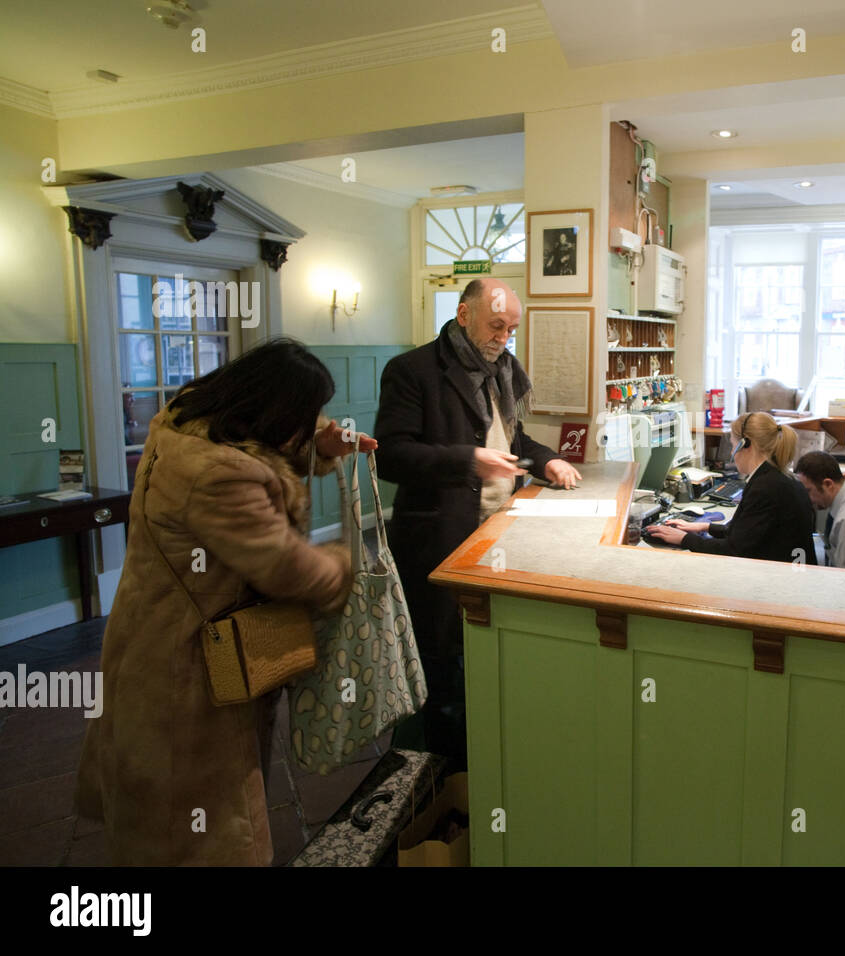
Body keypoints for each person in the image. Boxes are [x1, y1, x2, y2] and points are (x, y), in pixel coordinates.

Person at [76, 339, 374, 865]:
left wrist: (321, 443)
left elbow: (264, 446)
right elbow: (283, 567)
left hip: (154, 633)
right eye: (304, 416)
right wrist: (349, 566)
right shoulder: (218, 474)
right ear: (275, 411)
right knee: (198, 819)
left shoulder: (190, 425)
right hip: (188, 664)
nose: (309, 425)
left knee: (168, 802)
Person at [374, 277, 581, 769]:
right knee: (443, 659)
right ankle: (445, 773)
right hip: (438, 535)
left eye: (511, 330)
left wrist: (548, 459)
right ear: (463, 315)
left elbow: (512, 439)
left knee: (484, 648)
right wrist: (467, 460)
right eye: (496, 326)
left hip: (496, 529)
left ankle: (483, 756)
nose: (503, 339)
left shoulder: (502, 371)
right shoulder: (412, 370)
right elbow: (392, 456)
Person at [647, 412, 815, 563]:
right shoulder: (776, 477)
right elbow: (749, 532)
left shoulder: (765, 487)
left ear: (745, 445)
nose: (731, 453)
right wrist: (706, 527)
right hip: (790, 569)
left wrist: (684, 539)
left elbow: (734, 550)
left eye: (734, 445)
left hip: (782, 579)